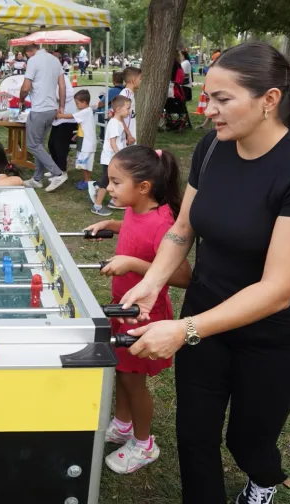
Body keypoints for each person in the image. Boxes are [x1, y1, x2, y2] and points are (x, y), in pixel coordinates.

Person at [117, 42, 290, 504]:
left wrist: (184, 328)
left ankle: (262, 480)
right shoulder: (213, 149)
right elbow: (181, 230)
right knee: (194, 437)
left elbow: (279, 289)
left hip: (275, 334)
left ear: (270, 100)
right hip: (204, 318)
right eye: (208, 98)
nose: (208, 111)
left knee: (248, 442)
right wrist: (152, 282)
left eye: (222, 100)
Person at [83, 145, 191, 474]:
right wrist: (111, 226)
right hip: (122, 310)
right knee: (120, 371)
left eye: (116, 182)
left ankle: (144, 444)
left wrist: (132, 263)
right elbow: (131, 225)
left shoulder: (163, 225)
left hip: (145, 318)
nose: (109, 188)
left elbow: (184, 277)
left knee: (133, 381)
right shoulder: (136, 209)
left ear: (143, 187)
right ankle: (123, 424)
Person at [19, 43, 68, 192]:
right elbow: (62, 85)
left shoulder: (33, 61)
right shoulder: (55, 59)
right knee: (38, 144)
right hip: (51, 109)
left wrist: (21, 99)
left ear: (28, 53)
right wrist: (61, 107)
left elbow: (26, 87)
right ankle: (37, 179)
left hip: (39, 109)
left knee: (32, 145)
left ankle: (57, 172)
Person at [90, 95, 132, 216]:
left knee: (115, 180)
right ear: (118, 109)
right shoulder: (114, 123)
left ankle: (114, 201)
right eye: (127, 108)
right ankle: (97, 206)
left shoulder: (117, 122)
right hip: (111, 159)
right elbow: (112, 143)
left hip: (114, 158)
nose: (129, 111)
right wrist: (120, 156)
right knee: (105, 182)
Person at [55, 90, 96, 190]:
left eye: (77, 103)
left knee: (85, 163)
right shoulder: (86, 111)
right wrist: (77, 134)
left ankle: (87, 181)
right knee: (83, 163)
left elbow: (71, 116)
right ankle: (86, 179)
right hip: (84, 141)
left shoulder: (85, 111)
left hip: (87, 143)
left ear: (84, 102)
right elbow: (85, 126)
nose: (76, 105)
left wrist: (60, 115)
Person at [48, 74, 80, 179]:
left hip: (67, 118)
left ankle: (61, 171)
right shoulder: (49, 78)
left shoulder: (63, 78)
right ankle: (55, 169)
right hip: (57, 118)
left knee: (60, 146)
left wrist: (54, 97)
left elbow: (69, 94)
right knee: (51, 144)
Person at [119, 66, 142, 141]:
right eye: (140, 78)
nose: (141, 81)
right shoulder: (126, 95)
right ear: (133, 80)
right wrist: (128, 135)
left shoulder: (130, 94)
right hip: (125, 139)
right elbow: (119, 117)